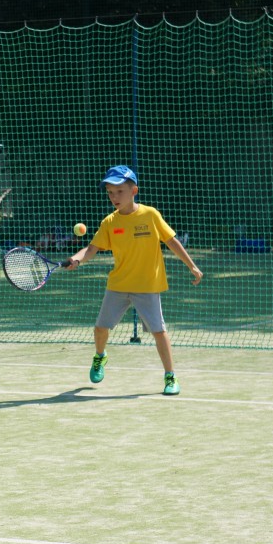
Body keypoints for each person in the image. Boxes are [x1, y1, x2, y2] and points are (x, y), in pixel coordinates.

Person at [66, 165, 203, 395]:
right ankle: (100, 356)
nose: (114, 197)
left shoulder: (150, 215)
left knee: (158, 332)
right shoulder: (109, 222)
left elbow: (171, 241)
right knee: (100, 329)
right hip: (118, 285)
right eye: (110, 192)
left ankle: (170, 376)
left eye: (119, 191)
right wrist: (77, 259)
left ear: (134, 191)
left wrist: (192, 265)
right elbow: (91, 249)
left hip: (147, 286)